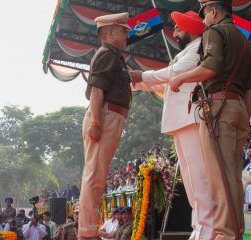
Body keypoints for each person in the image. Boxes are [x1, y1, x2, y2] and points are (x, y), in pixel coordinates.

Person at [169, 1, 251, 239]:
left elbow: (211, 66)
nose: (203, 21)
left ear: (214, 11)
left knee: (218, 177)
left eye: (204, 14)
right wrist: (245, 119)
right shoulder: (244, 42)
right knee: (233, 176)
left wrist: (181, 78)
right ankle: (235, 231)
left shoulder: (215, 31)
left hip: (219, 106)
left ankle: (224, 234)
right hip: (239, 107)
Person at [131, 10, 214, 239]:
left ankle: (207, 229)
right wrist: (135, 82)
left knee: (199, 179)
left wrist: (141, 75)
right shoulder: (188, 51)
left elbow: (174, 73)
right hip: (182, 122)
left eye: (178, 28)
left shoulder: (198, 48)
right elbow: (165, 82)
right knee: (190, 180)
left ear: (190, 30)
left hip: (191, 119)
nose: (175, 33)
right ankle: (199, 228)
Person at [79, 12, 131, 240]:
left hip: (110, 115)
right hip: (105, 115)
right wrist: (97, 123)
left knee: (97, 176)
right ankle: (87, 232)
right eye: (123, 31)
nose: (127, 35)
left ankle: (88, 230)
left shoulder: (113, 55)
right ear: (110, 33)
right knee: (94, 176)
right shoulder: (107, 54)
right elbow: (97, 91)